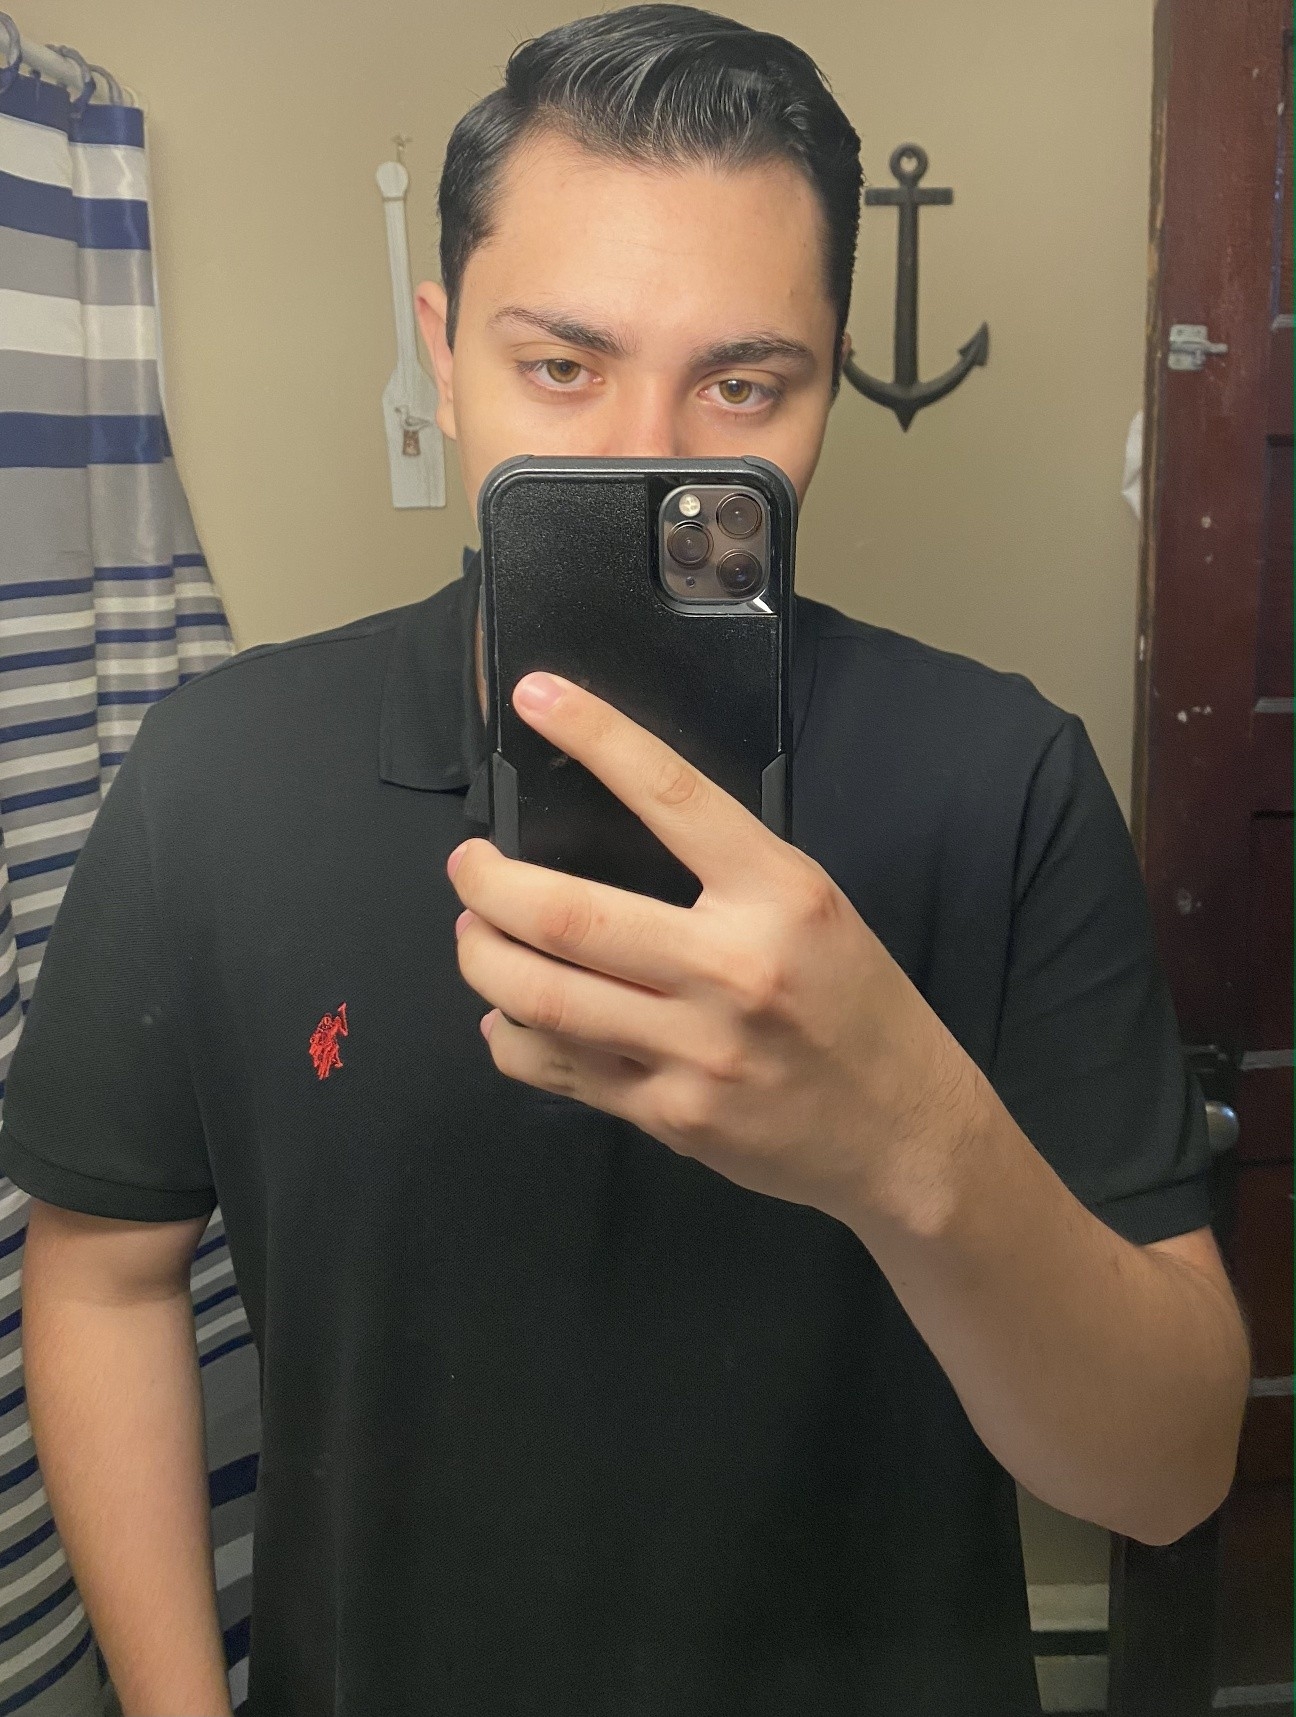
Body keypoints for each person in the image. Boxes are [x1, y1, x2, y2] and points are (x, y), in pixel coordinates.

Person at [1, 8, 1249, 1716]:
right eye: (562, 367)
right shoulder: (214, 774)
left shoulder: (1001, 779)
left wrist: (907, 1141)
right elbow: (105, 1266)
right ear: (443, 353)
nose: (646, 456)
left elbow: (1170, 1472)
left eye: (743, 385)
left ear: (826, 387)